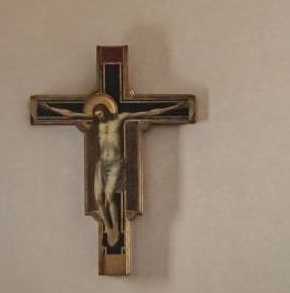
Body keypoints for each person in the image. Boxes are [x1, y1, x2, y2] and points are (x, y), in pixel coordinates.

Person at [40, 95, 187, 247]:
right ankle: (108, 228)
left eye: (101, 114)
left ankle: (116, 227)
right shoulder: (97, 123)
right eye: (97, 116)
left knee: (109, 196)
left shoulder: (120, 118)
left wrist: (175, 107)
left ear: (106, 110)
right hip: (102, 164)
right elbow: (71, 114)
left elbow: (147, 112)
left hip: (116, 164)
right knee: (98, 200)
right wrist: (49, 108)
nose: (100, 117)